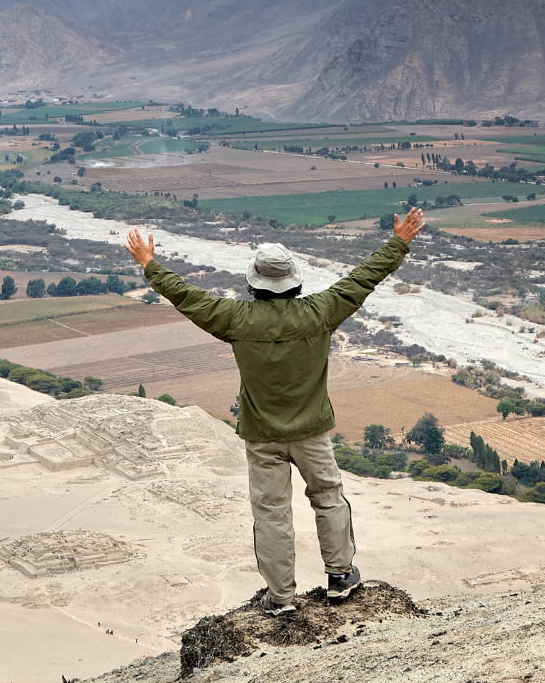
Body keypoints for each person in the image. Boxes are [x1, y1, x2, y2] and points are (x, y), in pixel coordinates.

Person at [125, 209, 426, 615]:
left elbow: (187, 296)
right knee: (329, 498)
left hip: (262, 435)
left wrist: (149, 264)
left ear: (255, 282)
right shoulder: (319, 311)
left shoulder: (236, 319)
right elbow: (363, 278)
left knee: (271, 513)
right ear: (294, 281)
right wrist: (398, 243)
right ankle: (340, 577)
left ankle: (281, 597)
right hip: (313, 431)